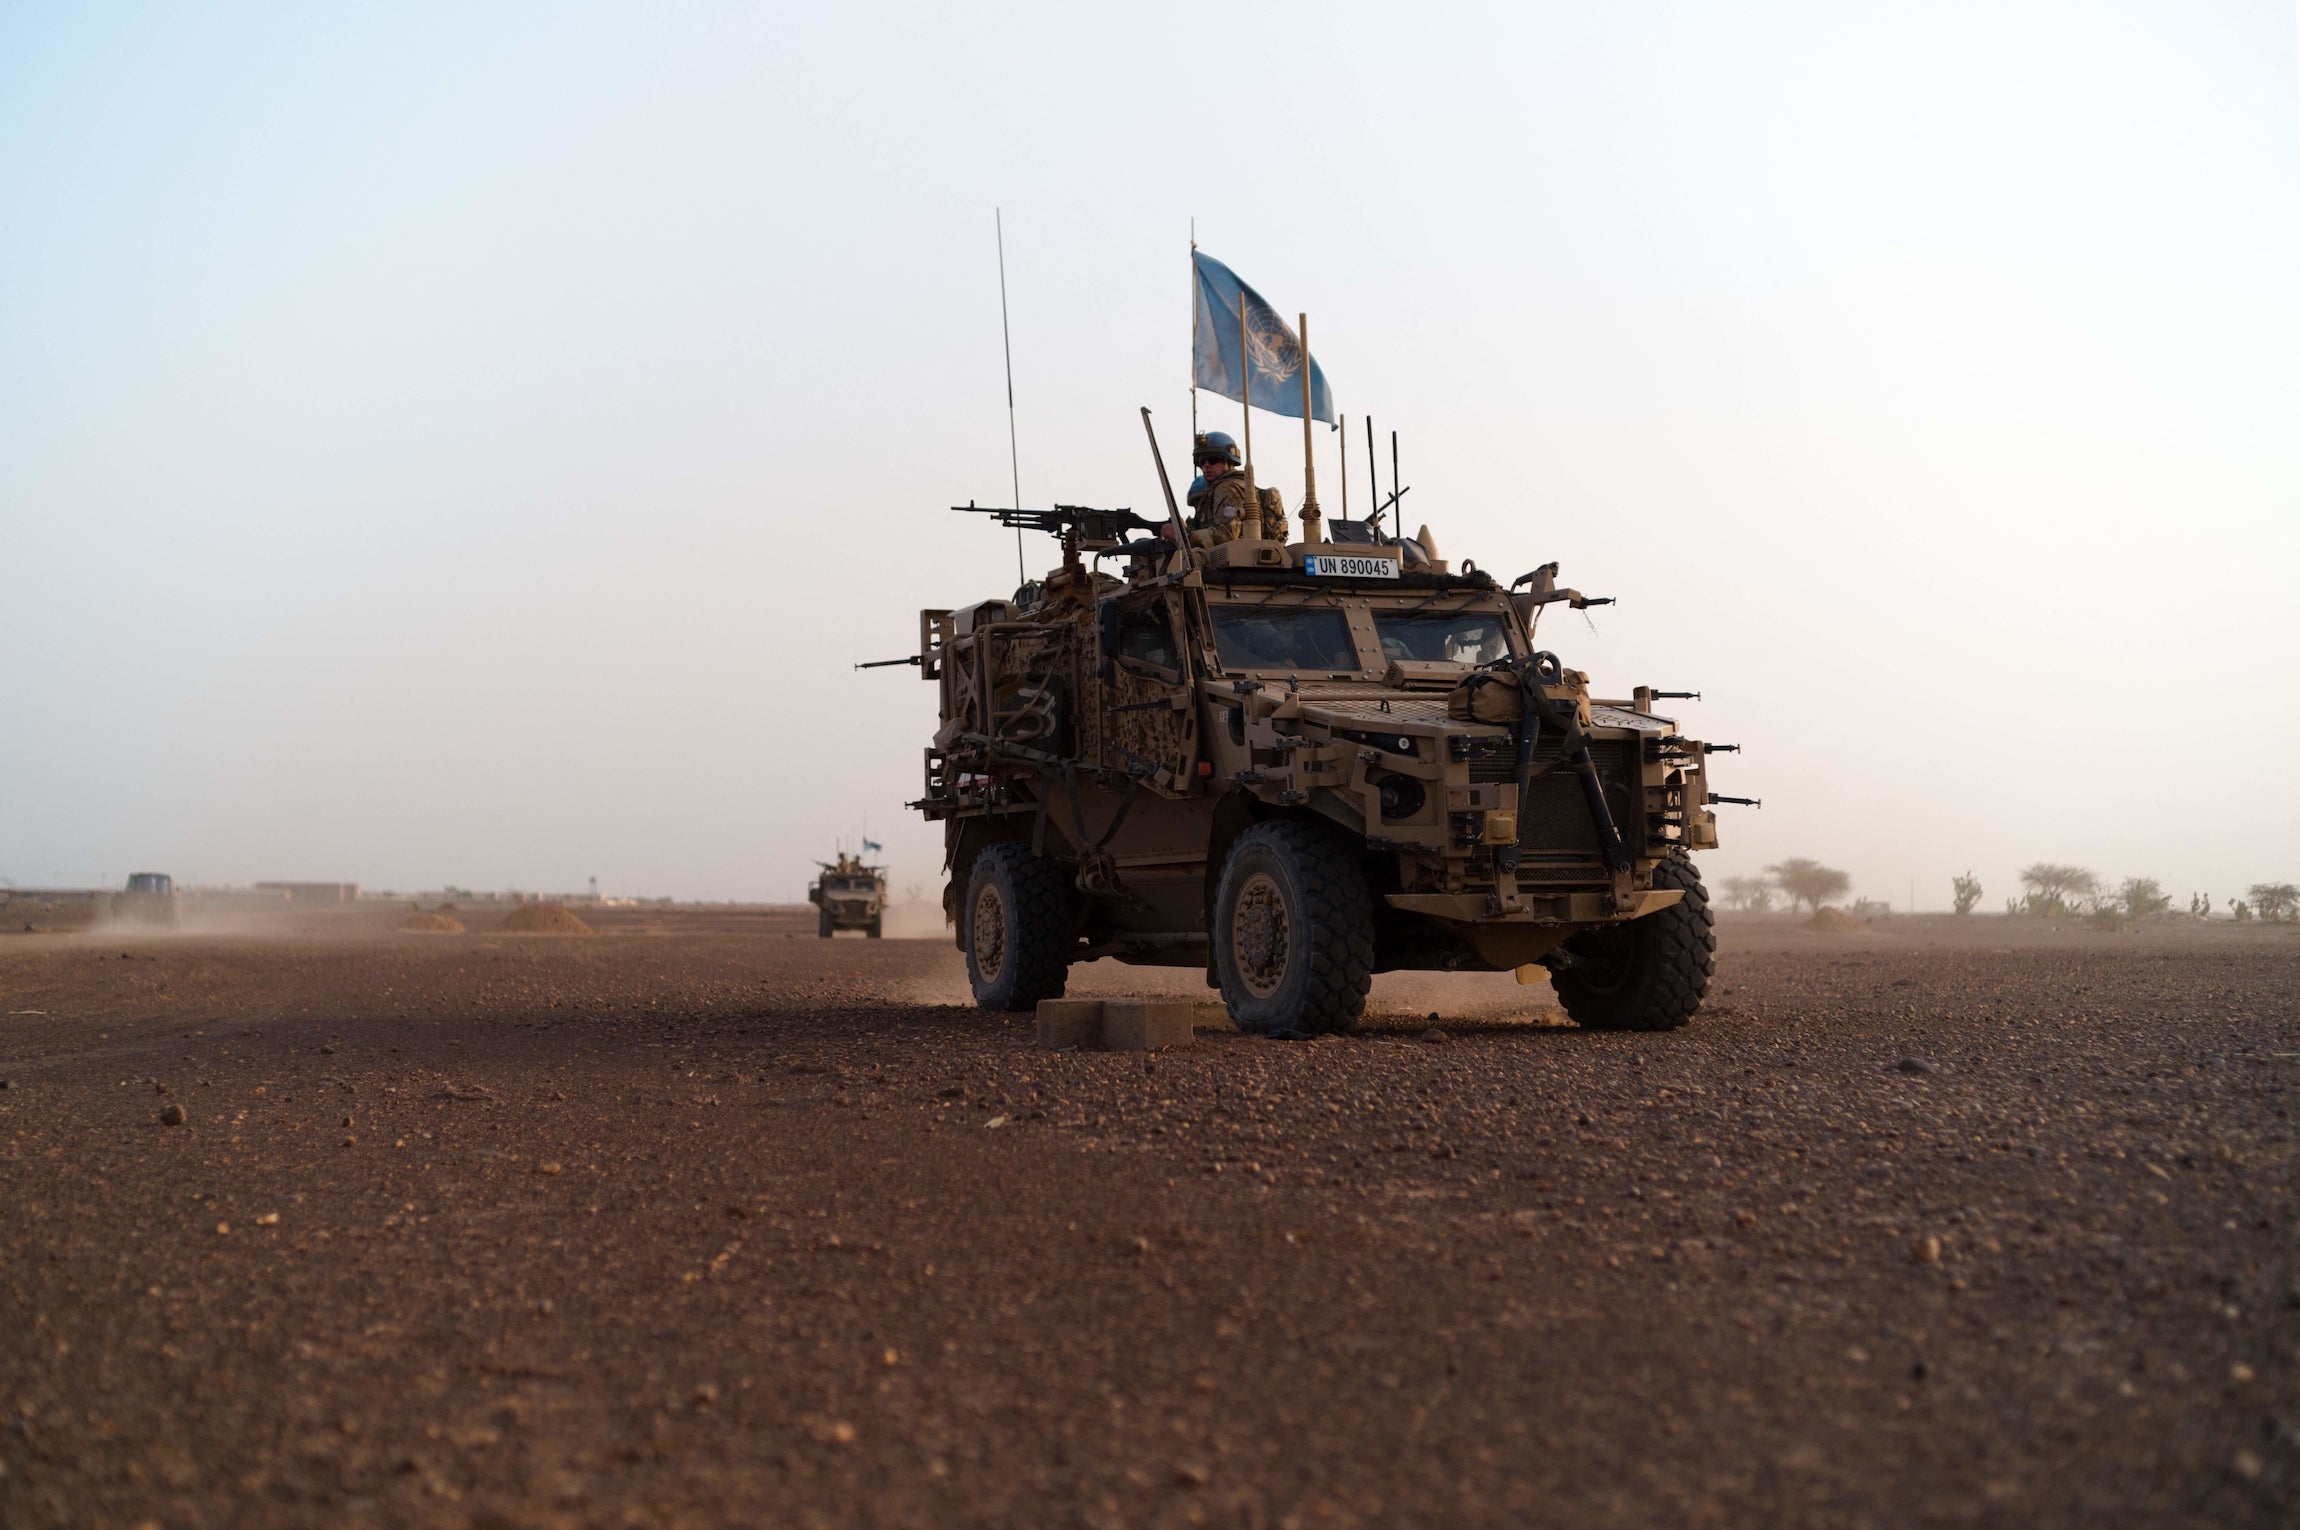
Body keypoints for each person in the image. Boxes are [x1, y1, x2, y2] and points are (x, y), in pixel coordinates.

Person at [1184, 431, 1279, 544]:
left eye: (1213, 459)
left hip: (1238, 553)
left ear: (1230, 462)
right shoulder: (1243, 486)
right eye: (1202, 461)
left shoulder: (1226, 488)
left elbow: (1228, 533)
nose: (1206, 465)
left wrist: (1189, 537)